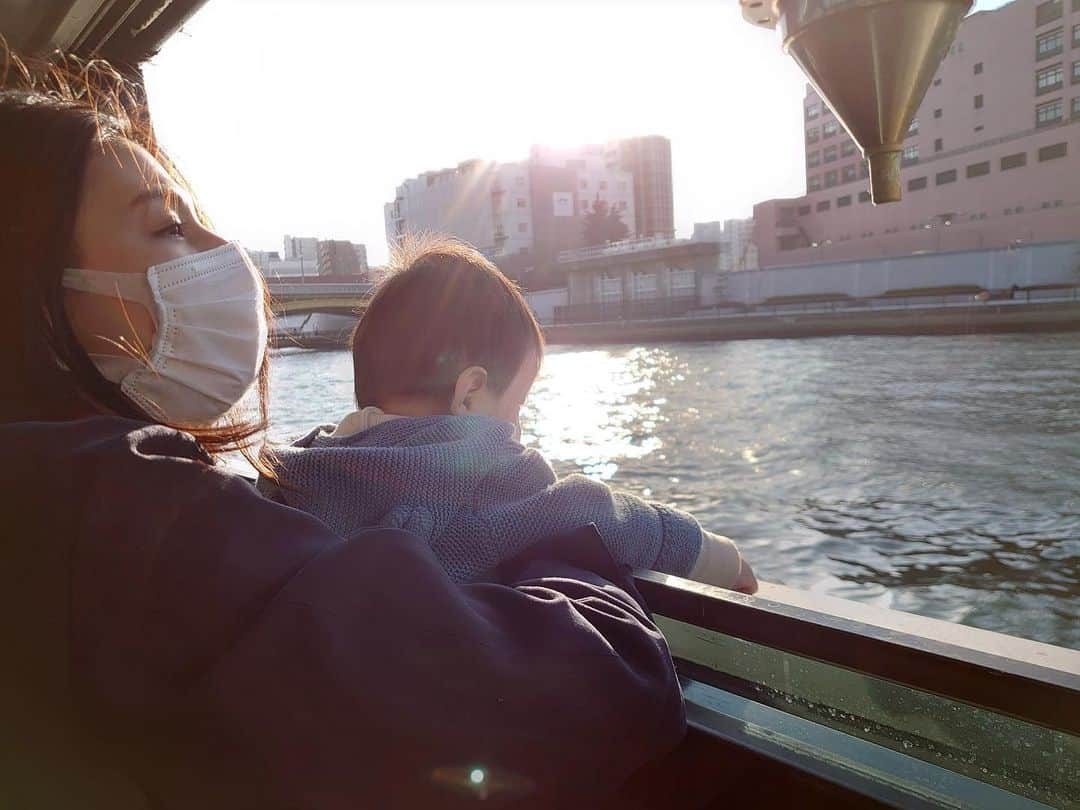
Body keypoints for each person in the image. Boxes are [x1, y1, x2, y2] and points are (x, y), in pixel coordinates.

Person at [0, 52, 685, 808]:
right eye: (167, 227)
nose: (224, 254)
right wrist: (562, 539)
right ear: (28, 287)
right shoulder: (116, 520)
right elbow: (588, 695)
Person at [263, 237, 758, 593]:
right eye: (516, 405)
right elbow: (592, 511)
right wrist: (714, 556)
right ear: (472, 394)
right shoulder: (484, 475)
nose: (516, 428)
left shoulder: (296, 475)